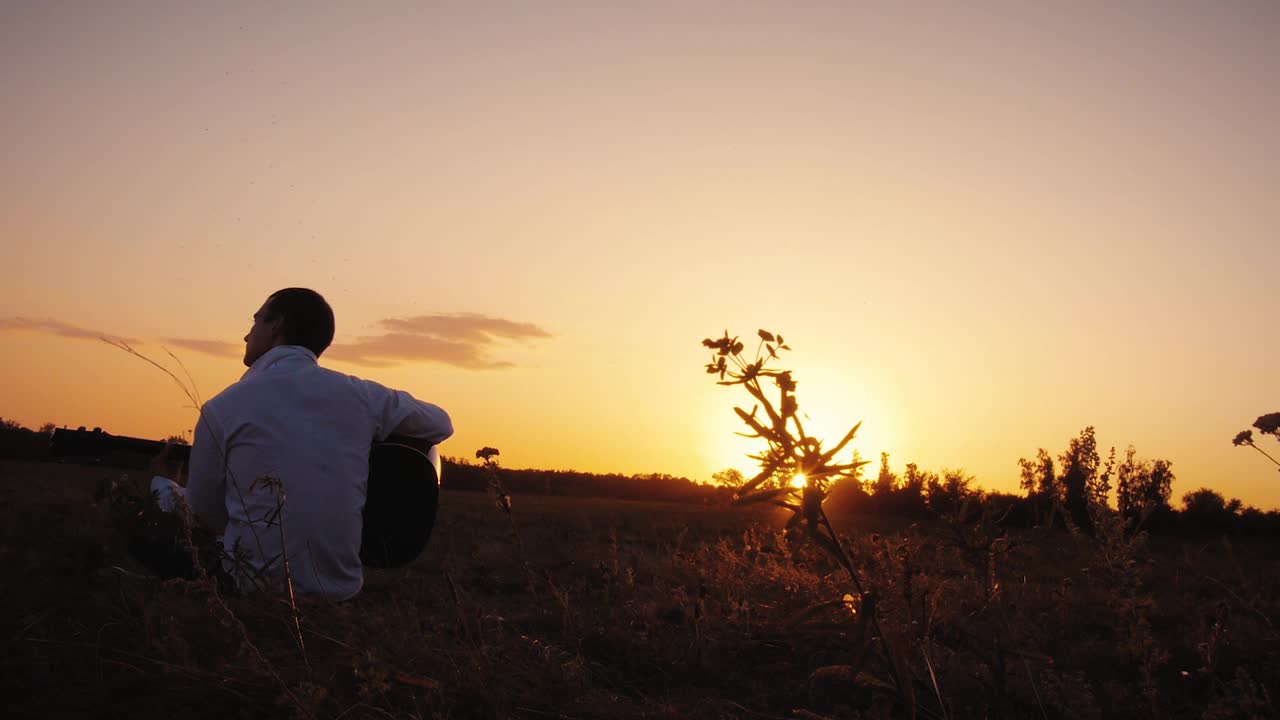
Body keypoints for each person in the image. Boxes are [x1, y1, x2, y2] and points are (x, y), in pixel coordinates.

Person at [148, 288, 453, 600]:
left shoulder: (222, 407)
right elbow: (441, 423)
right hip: (340, 593)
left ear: (276, 325)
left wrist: (163, 483)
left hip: (250, 591)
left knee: (143, 526)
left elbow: (203, 519)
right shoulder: (361, 396)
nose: (246, 334)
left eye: (255, 320)